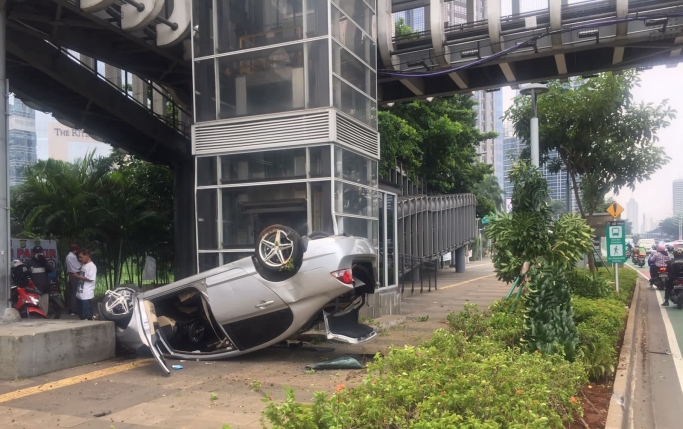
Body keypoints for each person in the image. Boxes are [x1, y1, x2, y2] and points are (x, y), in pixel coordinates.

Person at [24, 246, 55, 313]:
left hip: (44, 290)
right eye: (37, 252)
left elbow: (51, 269)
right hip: (34, 290)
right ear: (33, 253)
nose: (39, 254)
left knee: (43, 311)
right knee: (35, 311)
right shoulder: (29, 262)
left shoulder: (44, 262)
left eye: (40, 252)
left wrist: (44, 261)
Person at [73, 249, 97, 320]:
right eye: (79, 258)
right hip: (80, 292)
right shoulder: (83, 265)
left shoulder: (92, 266)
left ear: (87, 255)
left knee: (86, 315)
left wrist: (77, 277)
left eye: (81, 257)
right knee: (80, 314)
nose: (80, 259)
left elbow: (90, 278)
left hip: (86, 294)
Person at [65, 244, 81, 316]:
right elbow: (78, 266)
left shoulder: (68, 256)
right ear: (75, 250)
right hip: (75, 274)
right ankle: (73, 309)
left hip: (70, 274)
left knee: (71, 292)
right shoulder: (73, 257)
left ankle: (70, 309)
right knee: (74, 293)